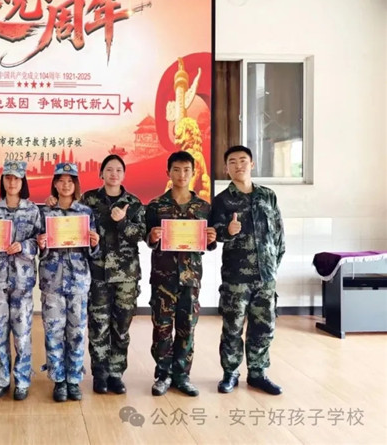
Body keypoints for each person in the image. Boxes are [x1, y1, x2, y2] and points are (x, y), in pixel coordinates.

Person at [210, 146, 285, 395]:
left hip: (266, 277)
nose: (238, 165)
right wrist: (227, 232)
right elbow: (213, 234)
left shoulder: (268, 196)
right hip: (236, 278)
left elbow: (278, 234)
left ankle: (258, 373)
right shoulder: (222, 200)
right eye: (232, 162)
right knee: (232, 327)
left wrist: (273, 265)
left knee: (264, 328)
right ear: (226, 169)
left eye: (243, 160)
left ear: (252, 164)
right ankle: (230, 373)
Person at [146, 151, 217, 397]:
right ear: (168, 172)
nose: (181, 174)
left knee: (187, 327)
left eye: (187, 170)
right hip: (163, 277)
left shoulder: (204, 207)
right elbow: (147, 238)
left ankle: (182, 375)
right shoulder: (156, 205)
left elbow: (208, 243)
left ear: (193, 173)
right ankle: (163, 375)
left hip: (190, 278)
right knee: (162, 328)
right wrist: (152, 236)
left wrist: (211, 239)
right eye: (176, 169)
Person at [81, 154, 146, 394]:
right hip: (97, 273)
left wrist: (122, 222)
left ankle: (116, 374)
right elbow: (75, 225)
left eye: (118, 170)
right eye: (109, 169)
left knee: (121, 326)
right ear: (101, 173)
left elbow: (142, 235)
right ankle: (100, 373)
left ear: (124, 174)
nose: (114, 174)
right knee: (98, 325)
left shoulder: (134, 202)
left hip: (126, 276)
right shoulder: (88, 199)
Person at [37, 162, 99, 402]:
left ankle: (73, 379)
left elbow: (92, 250)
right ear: (54, 183)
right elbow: (37, 246)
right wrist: (41, 243)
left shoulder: (85, 212)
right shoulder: (45, 212)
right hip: (52, 281)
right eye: (61, 181)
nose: (65, 185)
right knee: (53, 332)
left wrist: (94, 242)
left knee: (77, 332)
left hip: (78, 280)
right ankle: (58, 380)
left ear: (76, 184)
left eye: (70, 181)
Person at [0, 160, 41, 400]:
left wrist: (23, 245)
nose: (12, 182)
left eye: (17, 178)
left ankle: (23, 380)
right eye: (8, 177)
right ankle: (2, 380)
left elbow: (40, 243)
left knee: (22, 334)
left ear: (23, 181)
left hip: (22, 282)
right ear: (2, 180)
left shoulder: (33, 210)